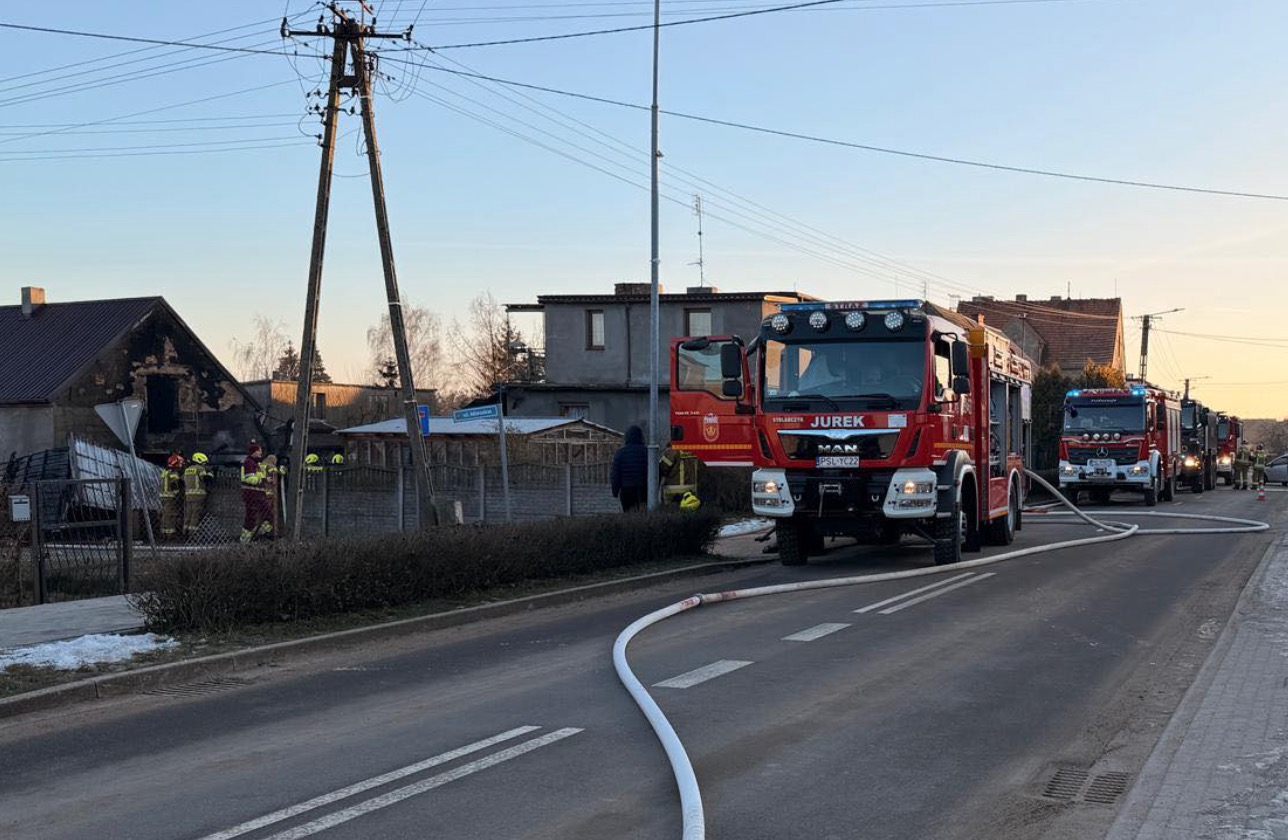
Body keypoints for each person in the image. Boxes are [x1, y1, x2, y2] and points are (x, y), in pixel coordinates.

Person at [611, 425, 650, 512]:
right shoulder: (647, 452)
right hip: (644, 489)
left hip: (626, 490)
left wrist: (615, 491)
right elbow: (654, 472)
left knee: (629, 514)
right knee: (644, 514)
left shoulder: (620, 453)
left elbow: (615, 474)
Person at [240, 442, 272, 543]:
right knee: (251, 517)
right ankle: (246, 540)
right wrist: (264, 479)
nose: (260, 452)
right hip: (252, 495)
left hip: (258, 495)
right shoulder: (249, 463)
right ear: (253, 452)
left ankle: (257, 534)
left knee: (267, 515)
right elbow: (250, 479)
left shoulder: (256, 463)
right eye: (259, 451)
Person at [181, 452, 213, 538]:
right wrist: (210, 472)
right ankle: (192, 535)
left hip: (188, 496)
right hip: (198, 496)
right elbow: (206, 479)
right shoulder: (200, 469)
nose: (205, 464)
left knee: (188, 514)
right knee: (195, 514)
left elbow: (182, 480)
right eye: (204, 463)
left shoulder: (187, 470)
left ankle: (185, 533)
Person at [160, 453, 185, 539]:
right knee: (170, 516)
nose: (181, 466)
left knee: (164, 515)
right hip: (170, 497)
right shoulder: (173, 473)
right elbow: (174, 485)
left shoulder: (165, 471)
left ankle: (163, 533)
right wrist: (178, 494)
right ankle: (170, 535)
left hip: (163, 496)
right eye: (180, 464)